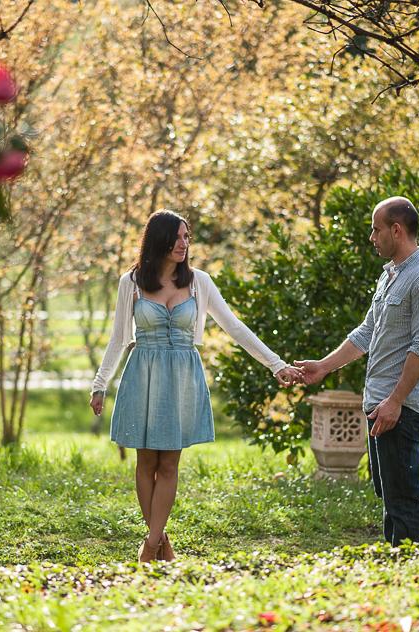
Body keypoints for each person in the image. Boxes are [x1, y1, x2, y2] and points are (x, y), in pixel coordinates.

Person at [90, 210, 303, 563]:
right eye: (177, 237)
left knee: (170, 463)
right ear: (158, 240)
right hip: (143, 372)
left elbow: (234, 327)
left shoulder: (199, 282)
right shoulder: (130, 283)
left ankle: (150, 546)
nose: (183, 244)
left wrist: (275, 364)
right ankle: (160, 541)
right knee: (145, 461)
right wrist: (100, 385)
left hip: (183, 378)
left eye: (187, 237)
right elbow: (117, 339)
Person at [294, 197, 419, 545]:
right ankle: (394, 571)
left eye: (376, 229)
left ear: (397, 230)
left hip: (400, 407)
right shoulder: (390, 275)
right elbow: (366, 333)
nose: (371, 237)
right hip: (378, 403)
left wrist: (396, 401)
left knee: (404, 499)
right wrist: (323, 367)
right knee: (389, 496)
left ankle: (409, 574)